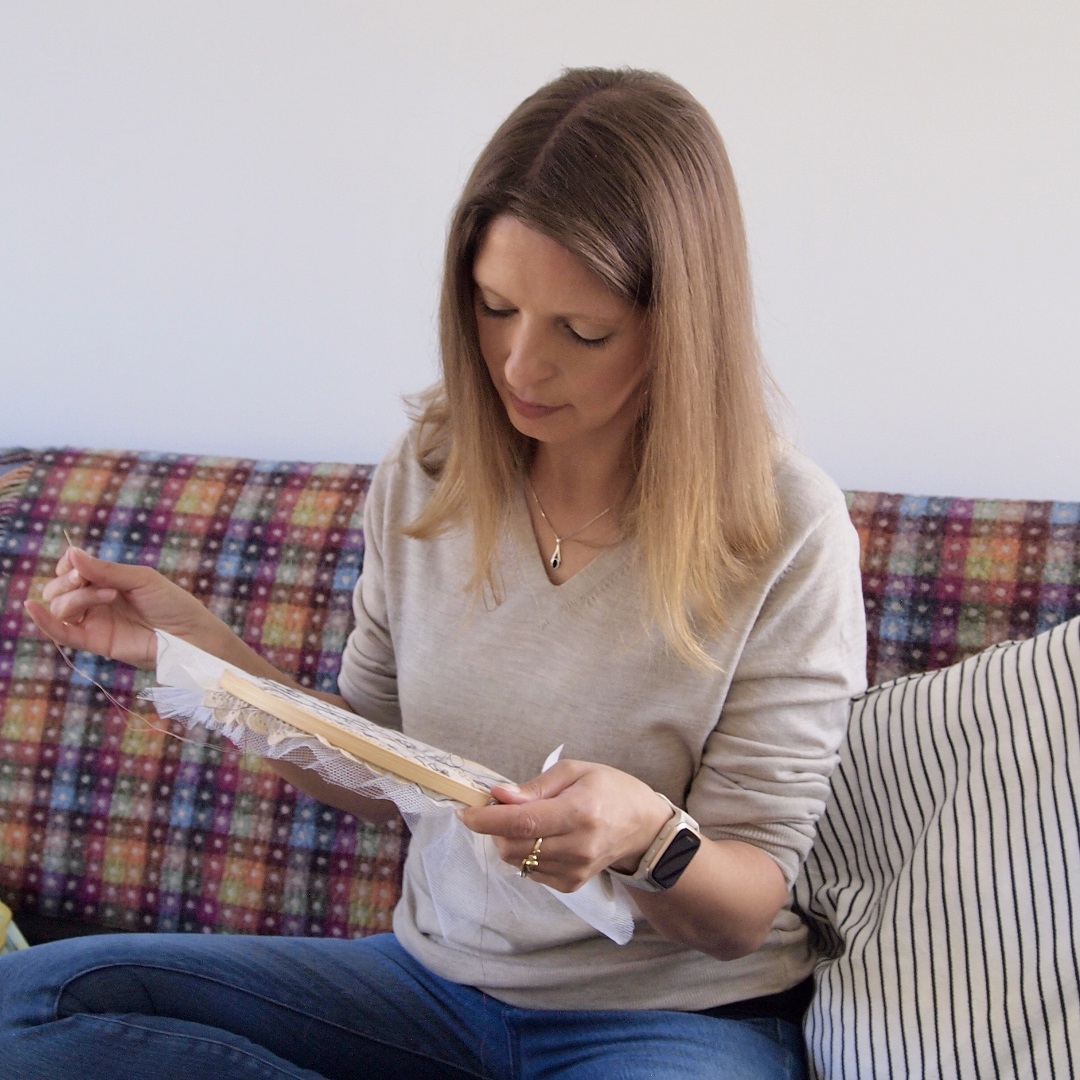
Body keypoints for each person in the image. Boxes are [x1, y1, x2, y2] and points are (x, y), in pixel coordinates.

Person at [1, 67, 866, 1079]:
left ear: (680, 327)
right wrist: (191, 652)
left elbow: (744, 910)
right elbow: (377, 767)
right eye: (495, 308)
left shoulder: (784, 528)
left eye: (580, 332)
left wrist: (644, 837)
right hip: (426, 990)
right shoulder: (431, 471)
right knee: (34, 1005)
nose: (520, 367)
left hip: (668, 1022)